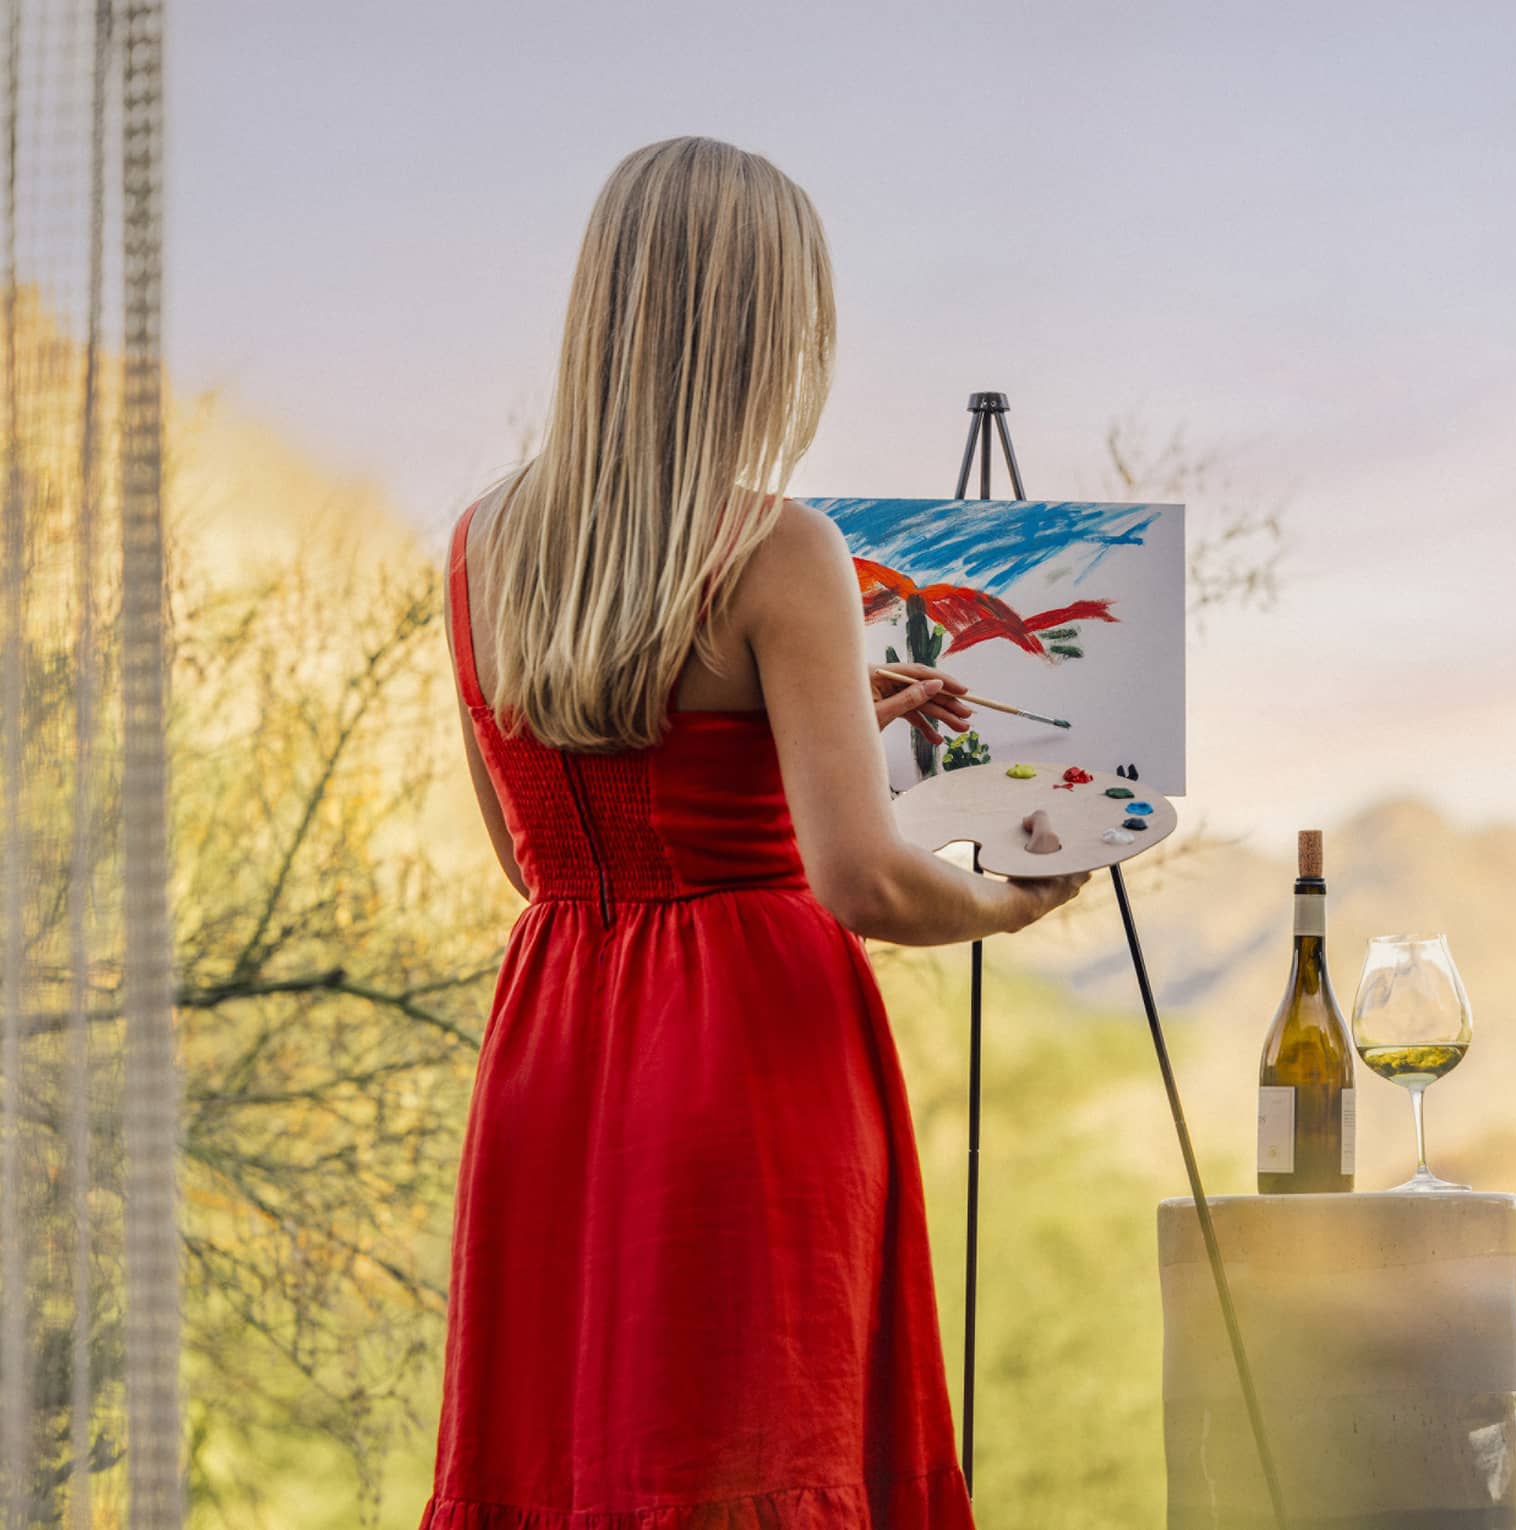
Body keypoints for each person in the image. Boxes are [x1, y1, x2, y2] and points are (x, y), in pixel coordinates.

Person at [419, 135, 1087, 1530]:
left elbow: (533, 854)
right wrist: (1009, 904)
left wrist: (830, 716)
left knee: (579, 1455)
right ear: (764, 327)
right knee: (750, 1448)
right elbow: (862, 880)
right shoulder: (779, 549)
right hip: (745, 1052)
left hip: (558, 1037)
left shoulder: (485, 544)